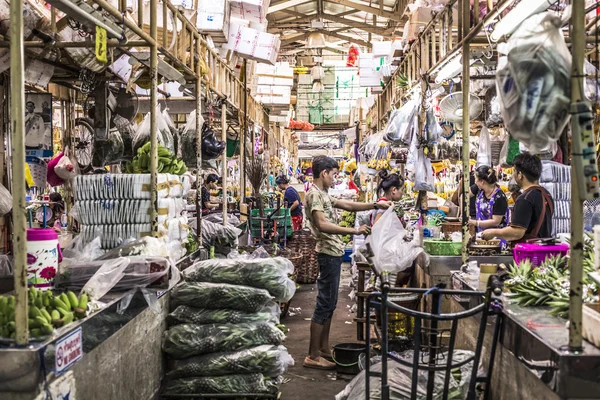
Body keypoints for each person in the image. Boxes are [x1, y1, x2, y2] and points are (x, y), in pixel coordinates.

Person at [303, 155, 392, 370]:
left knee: (330, 304)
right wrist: (354, 230)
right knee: (324, 304)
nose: (335, 178)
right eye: (333, 174)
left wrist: (374, 204)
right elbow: (322, 224)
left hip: (332, 252)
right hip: (327, 252)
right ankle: (312, 356)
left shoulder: (323, 194)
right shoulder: (314, 195)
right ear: (323, 173)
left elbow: (348, 206)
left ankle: (324, 349)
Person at [482, 153, 554, 242]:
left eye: (514, 171)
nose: (513, 175)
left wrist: (493, 232)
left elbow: (517, 232)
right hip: (544, 251)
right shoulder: (546, 194)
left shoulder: (525, 198)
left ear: (520, 175)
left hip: (529, 252)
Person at [468, 166, 509, 234]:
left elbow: (496, 222)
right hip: (481, 234)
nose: (475, 181)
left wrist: (474, 222)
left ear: (482, 181)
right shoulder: (479, 189)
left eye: (475, 179)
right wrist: (463, 212)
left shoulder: (499, 197)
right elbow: (464, 195)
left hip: (496, 237)